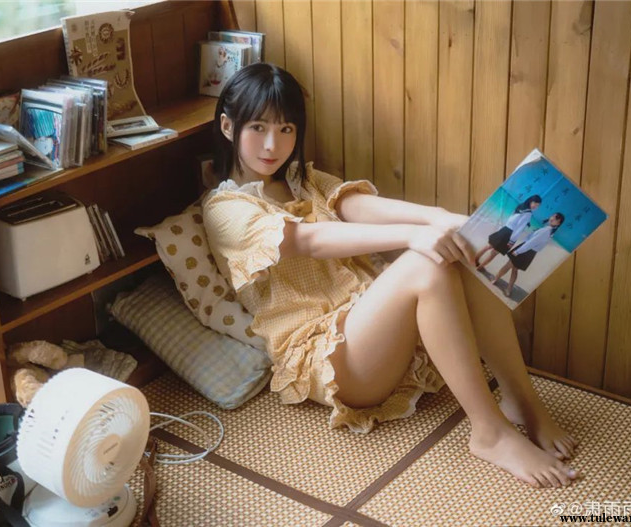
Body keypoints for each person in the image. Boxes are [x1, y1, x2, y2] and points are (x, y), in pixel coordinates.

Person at [201, 63, 578, 488]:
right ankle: (489, 433)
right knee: (426, 261)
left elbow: (355, 206)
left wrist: (440, 218)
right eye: (258, 127)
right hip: (328, 357)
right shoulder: (224, 209)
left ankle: (521, 400)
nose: (273, 144)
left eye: (286, 129)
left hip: (371, 329)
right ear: (228, 127)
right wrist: (415, 236)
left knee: (460, 247)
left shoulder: (300, 178)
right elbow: (307, 240)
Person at [491, 213, 565, 297]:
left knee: (508, 266)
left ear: (558, 223)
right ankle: (508, 289)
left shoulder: (546, 230)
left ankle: (496, 279)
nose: (553, 218)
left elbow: (531, 242)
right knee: (514, 269)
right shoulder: (550, 232)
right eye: (553, 216)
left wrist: (518, 251)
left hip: (525, 250)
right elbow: (538, 245)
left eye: (556, 219)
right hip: (529, 252)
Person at [474, 196, 542, 273]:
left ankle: (475, 260)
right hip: (510, 234)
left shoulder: (521, 206)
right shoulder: (528, 213)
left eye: (538, 205)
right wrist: (512, 241)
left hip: (505, 229)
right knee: (494, 253)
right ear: (530, 201)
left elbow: (512, 219)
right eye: (535, 203)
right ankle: (480, 267)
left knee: (488, 247)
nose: (536, 206)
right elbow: (519, 229)